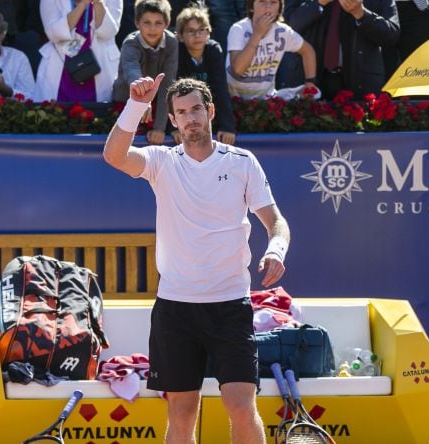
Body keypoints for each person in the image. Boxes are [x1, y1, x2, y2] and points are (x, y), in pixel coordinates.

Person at [103, 74, 290, 444]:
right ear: (172, 120)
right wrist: (137, 104)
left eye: (196, 110)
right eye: (181, 112)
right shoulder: (160, 162)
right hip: (176, 309)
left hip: (230, 308)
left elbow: (275, 222)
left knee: (239, 405)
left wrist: (276, 250)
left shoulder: (242, 162)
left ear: (211, 112)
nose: (190, 118)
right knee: (182, 411)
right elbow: (113, 156)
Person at [278, 0, 399, 100]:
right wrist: (318, 2)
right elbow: (288, 28)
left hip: (360, 82)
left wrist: (361, 14)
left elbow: (391, 35)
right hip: (309, 80)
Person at [112, 0, 178, 145]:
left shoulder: (172, 43)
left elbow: (167, 83)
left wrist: (159, 129)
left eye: (158, 23)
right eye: (147, 22)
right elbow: (132, 72)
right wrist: (141, 100)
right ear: (137, 23)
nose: (152, 28)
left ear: (167, 24)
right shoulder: (130, 43)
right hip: (126, 101)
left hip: (153, 104)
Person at [226, 0, 318, 100]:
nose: (268, 7)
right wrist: (257, 34)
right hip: (233, 98)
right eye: (262, 1)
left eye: (273, 2)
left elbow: (308, 51)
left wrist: (310, 82)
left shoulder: (282, 31)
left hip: (265, 100)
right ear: (251, 7)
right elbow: (238, 70)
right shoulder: (239, 29)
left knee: (316, 94)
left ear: (279, 9)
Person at [32, 0, 122, 102]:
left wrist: (98, 3)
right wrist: (83, 4)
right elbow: (53, 34)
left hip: (100, 69)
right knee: (55, 114)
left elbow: (109, 32)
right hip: (61, 68)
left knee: (100, 113)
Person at [175, 5, 236, 145]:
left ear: (208, 33)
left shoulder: (214, 50)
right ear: (180, 36)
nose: (197, 35)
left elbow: (220, 89)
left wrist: (227, 127)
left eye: (202, 30)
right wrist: (174, 128)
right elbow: (173, 92)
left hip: (206, 110)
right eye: (191, 31)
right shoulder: (177, 52)